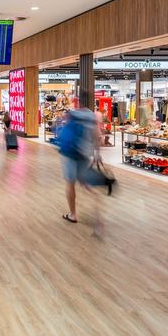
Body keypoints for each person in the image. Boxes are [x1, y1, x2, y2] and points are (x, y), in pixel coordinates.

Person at [58, 91, 102, 235]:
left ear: (78, 101)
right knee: (85, 183)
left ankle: (73, 214)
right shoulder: (92, 117)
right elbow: (97, 136)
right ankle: (97, 210)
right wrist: (97, 153)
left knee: (70, 183)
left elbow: (61, 128)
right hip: (84, 153)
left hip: (69, 153)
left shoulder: (72, 114)